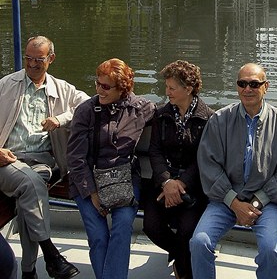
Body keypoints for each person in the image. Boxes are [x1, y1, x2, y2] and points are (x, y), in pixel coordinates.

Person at [190, 62, 277, 279]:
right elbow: (209, 164)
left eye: (254, 84)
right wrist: (234, 203)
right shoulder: (220, 120)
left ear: (266, 86)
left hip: (264, 202)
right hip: (225, 198)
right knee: (199, 242)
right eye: (242, 83)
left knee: (271, 249)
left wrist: (255, 203)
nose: (247, 89)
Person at [0, 35, 88, 279]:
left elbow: (89, 106)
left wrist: (60, 119)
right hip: (6, 162)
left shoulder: (62, 89)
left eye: (38, 59)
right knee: (32, 185)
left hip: (42, 163)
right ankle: (50, 255)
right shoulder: (6, 86)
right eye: (28, 59)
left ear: (51, 59)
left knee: (32, 188)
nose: (32, 65)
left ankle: (30, 272)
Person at [67, 58, 155, 279]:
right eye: (97, 84)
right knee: (98, 235)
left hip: (124, 180)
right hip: (87, 180)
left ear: (122, 89)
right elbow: (75, 158)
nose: (99, 90)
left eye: (106, 86)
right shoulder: (86, 111)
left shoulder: (140, 108)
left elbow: (170, 112)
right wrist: (92, 193)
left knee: (123, 226)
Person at [142, 60, 214, 279]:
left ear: (188, 89)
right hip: (164, 184)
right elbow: (154, 151)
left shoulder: (209, 119)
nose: (167, 92)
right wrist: (166, 181)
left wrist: (182, 184)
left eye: (172, 88)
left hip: (194, 186)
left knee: (187, 230)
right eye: (167, 87)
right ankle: (182, 256)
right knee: (151, 226)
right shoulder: (161, 116)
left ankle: (184, 269)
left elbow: (205, 158)